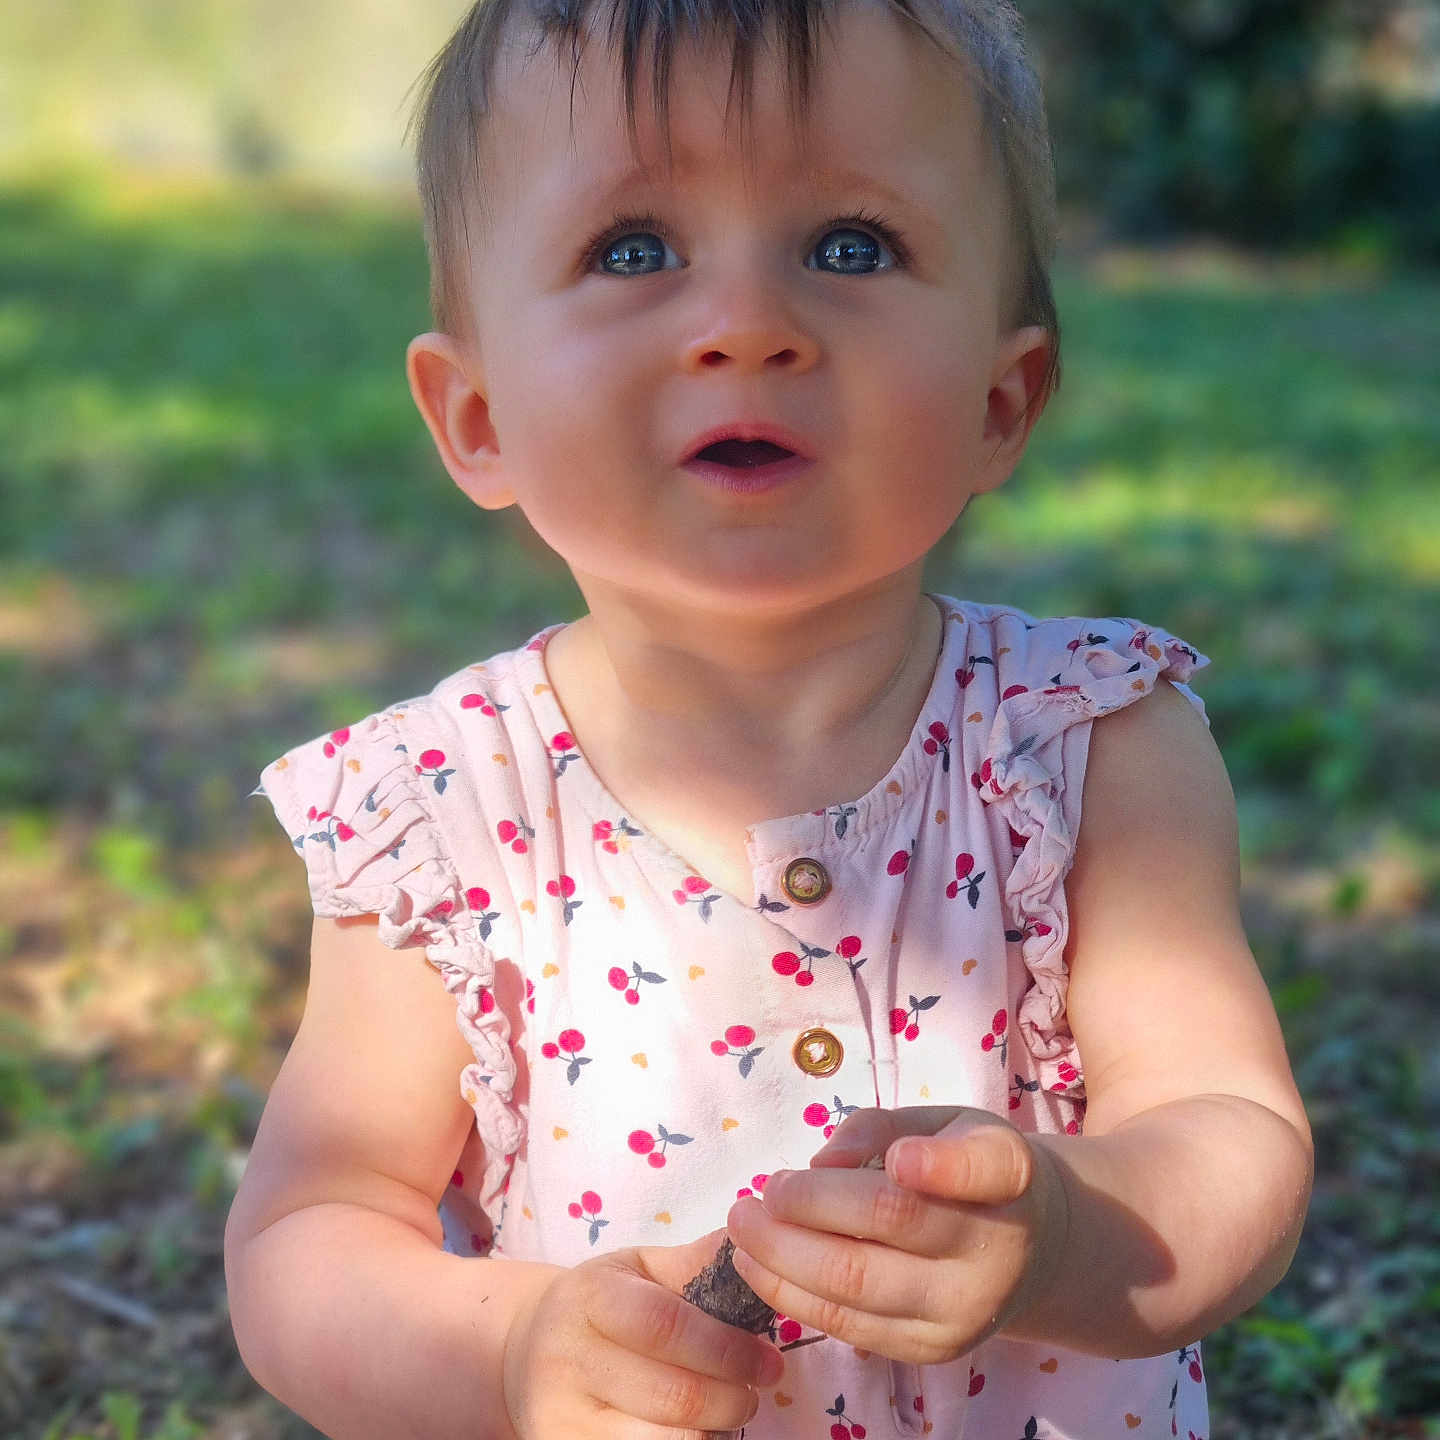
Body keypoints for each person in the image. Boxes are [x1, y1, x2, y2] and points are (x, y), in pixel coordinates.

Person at [223, 0, 1313, 1435]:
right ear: (477, 416)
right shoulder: (441, 812)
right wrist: (512, 1348)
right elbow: (310, 1234)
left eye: (850, 246)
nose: (747, 326)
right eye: (634, 249)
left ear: (1004, 398)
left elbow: (1231, 1142)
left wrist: (1062, 1231)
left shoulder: (1091, 745)